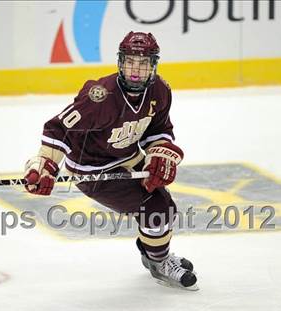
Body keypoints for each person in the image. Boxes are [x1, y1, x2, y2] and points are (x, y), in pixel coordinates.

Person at [24, 31, 198, 290]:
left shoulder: (160, 90)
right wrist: (46, 165)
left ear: (153, 65)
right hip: (93, 170)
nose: (135, 70)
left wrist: (160, 152)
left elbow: (158, 130)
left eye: (143, 63)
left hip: (128, 157)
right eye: (129, 62)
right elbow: (60, 129)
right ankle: (159, 262)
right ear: (120, 62)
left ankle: (152, 253)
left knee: (165, 208)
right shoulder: (100, 96)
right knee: (156, 209)